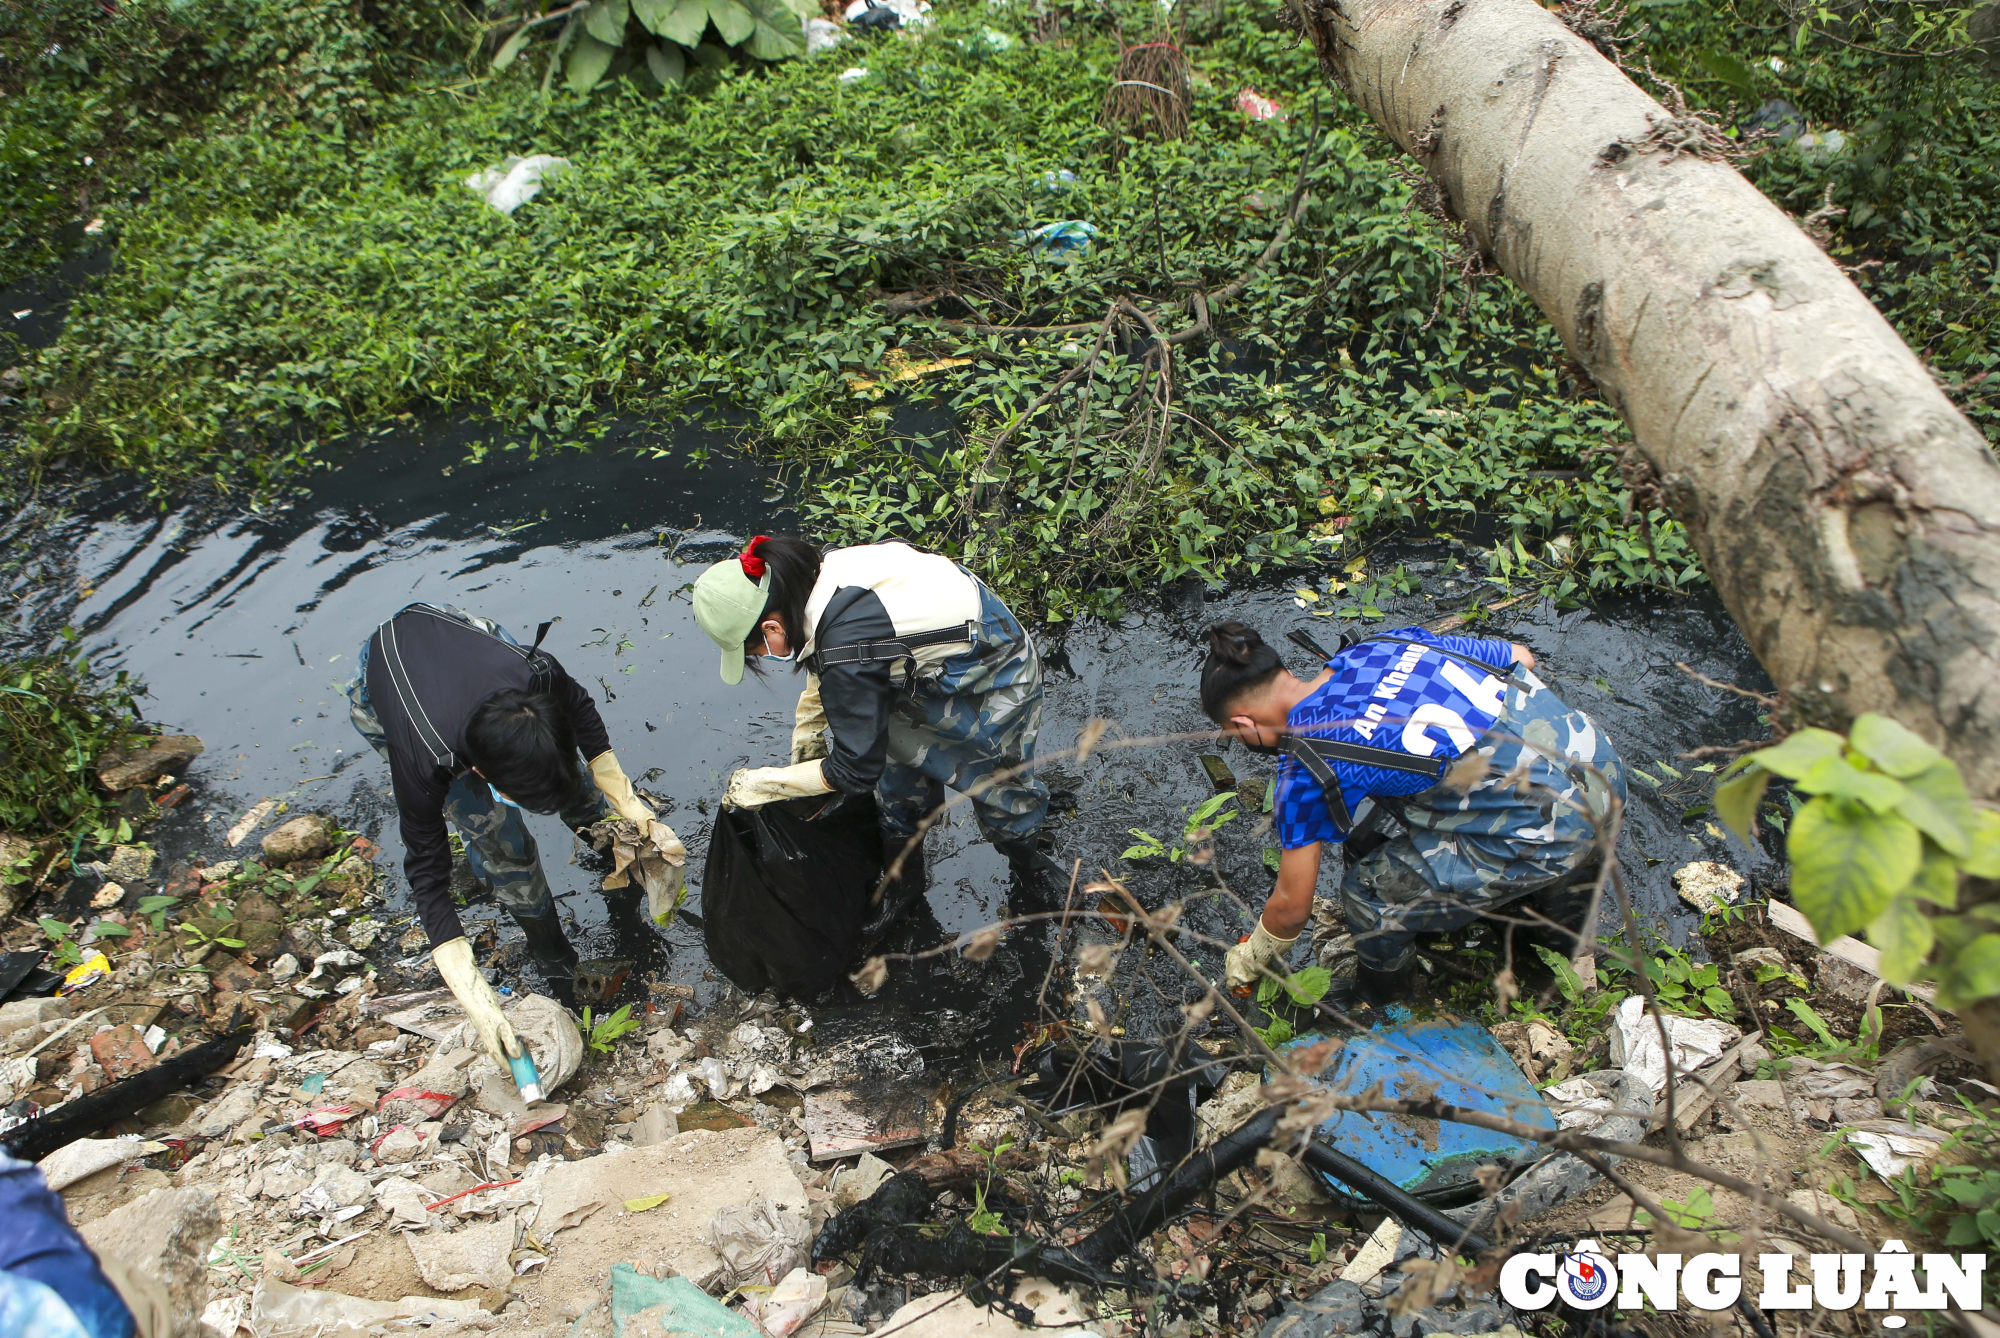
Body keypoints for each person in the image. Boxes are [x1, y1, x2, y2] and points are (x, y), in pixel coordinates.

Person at [1199, 620, 1625, 1005]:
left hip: (1549, 832)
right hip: (1599, 767)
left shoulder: (1306, 762)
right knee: (1387, 820)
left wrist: (1252, 955)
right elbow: (1521, 657)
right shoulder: (1381, 645)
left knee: (1366, 894)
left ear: (1245, 725)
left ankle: (1386, 998)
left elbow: (1293, 907)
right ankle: (1552, 930)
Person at [348, 603, 683, 1065]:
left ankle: (609, 849)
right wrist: (473, 995)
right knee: (495, 837)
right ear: (483, 771)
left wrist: (625, 799)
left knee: (574, 784)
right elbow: (426, 870)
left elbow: (581, 709)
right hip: (388, 679)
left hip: (453, 631)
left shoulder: (537, 676)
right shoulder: (424, 762)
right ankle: (549, 947)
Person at [691, 535, 1063, 937]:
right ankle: (904, 883)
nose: (763, 657)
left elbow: (854, 770)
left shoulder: (846, 641)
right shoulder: (810, 579)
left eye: (757, 650)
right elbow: (835, 658)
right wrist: (810, 726)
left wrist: (768, 783)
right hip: (911, 665)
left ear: (771, 626)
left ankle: (1030, 865)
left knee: (998, 785)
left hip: (988, 665)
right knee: (893, 768)